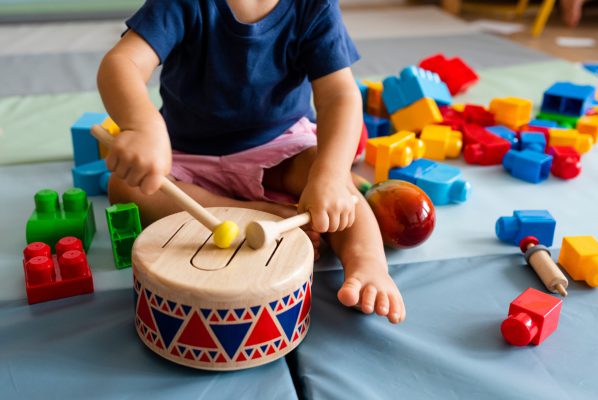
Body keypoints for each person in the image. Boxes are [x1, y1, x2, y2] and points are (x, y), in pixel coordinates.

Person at [97, 0, 405, 324]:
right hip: (186, 153)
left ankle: (366, 263)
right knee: (125, 187)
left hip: (279, 145)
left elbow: (338, 95)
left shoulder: (313, 5)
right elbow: (123, 62)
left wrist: (329, 175)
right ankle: (259, 213)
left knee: (333, 179)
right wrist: (143, 126)